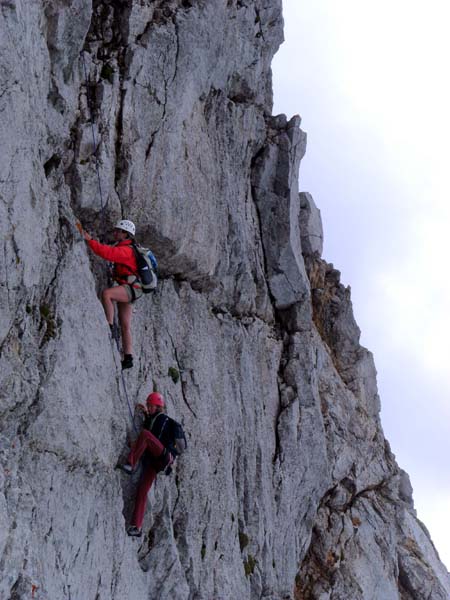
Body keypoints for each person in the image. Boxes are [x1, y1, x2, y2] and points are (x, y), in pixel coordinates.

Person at [78, 219, 142, 369]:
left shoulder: (127, 250)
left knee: (107, 294)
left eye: (119, 231)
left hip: (130, 287)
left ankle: (109, 325)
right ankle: (128, 358)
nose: (115, 233)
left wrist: (90, 241)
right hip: (132, 287)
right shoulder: (129, 248)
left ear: (126, 235)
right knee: (125, 325)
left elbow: (107, 253)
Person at [119, 392, 174, 537]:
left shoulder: (163, 419)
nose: (149, 408)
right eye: (148, 406)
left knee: (144, 435)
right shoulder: (155, 418)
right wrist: (145, 413)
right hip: (156, 462)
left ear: (158, 406)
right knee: (142, 490)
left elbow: (151, 435)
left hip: (162, 454)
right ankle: (136, 527)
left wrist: (147, 417)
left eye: (151, 406)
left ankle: (130, 464)